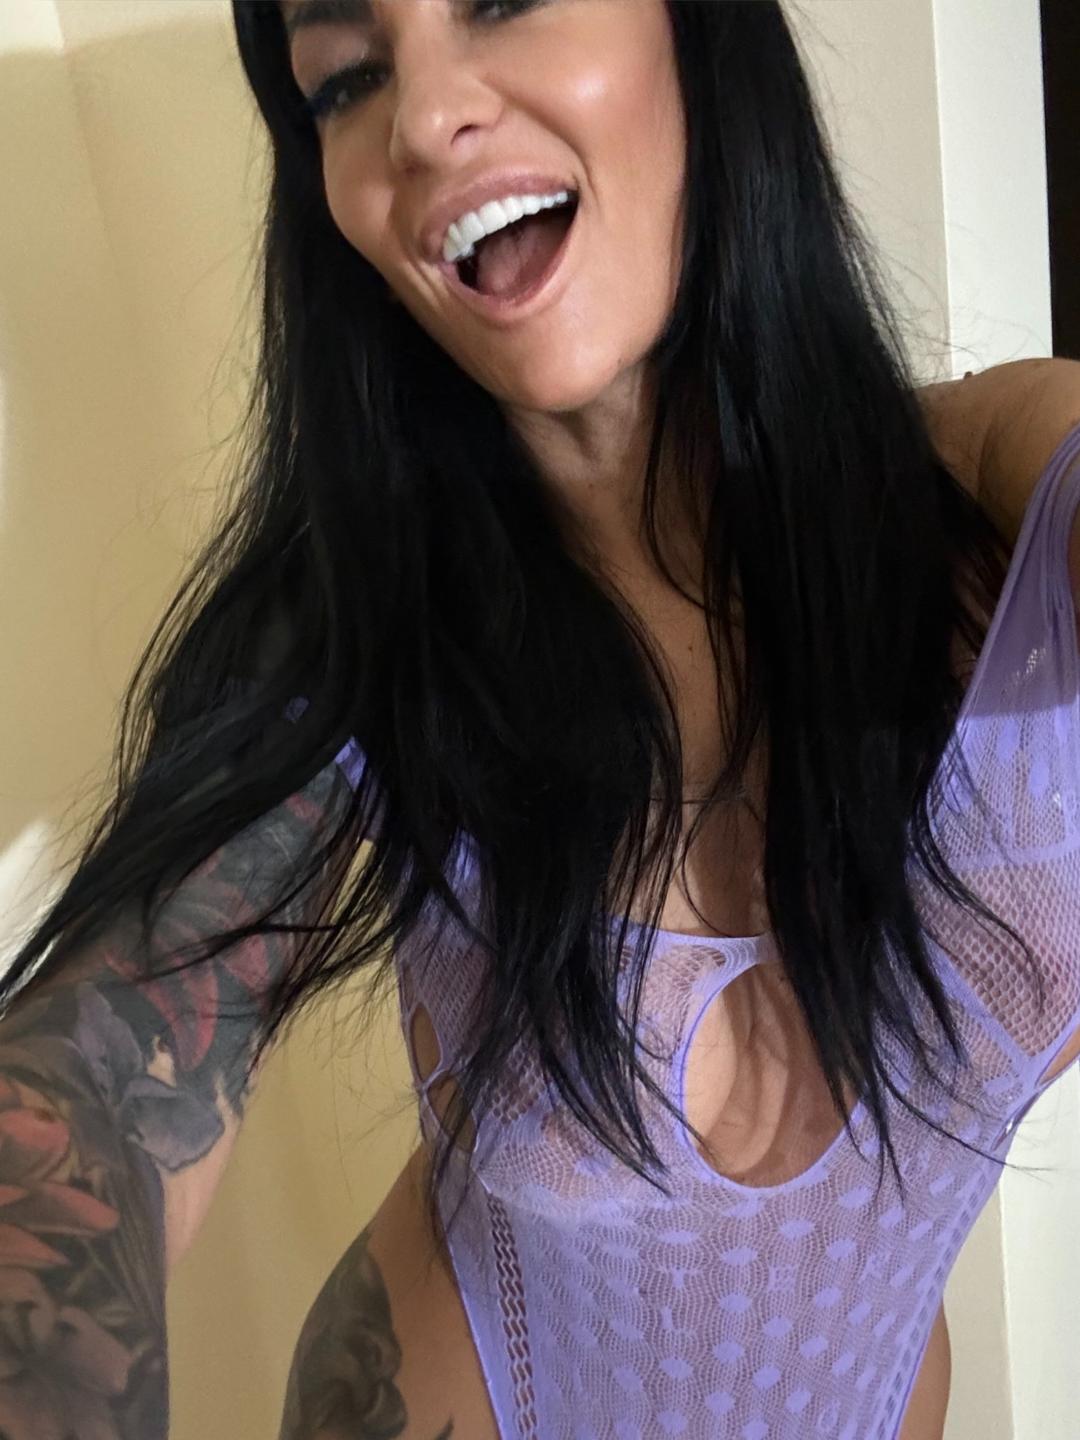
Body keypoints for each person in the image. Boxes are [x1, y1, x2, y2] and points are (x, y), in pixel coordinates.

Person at [1, 1, 1078, 1436]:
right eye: (345, 80)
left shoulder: (1003, 491)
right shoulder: (357, 635)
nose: (421, 117)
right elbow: (93, 1081)